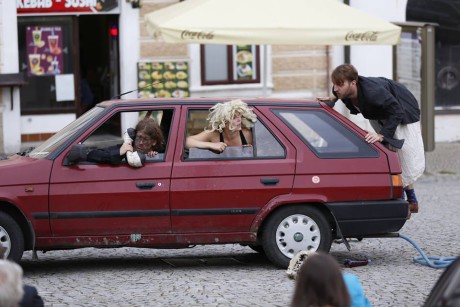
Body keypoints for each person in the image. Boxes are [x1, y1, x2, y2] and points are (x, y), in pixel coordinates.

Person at [320, 64, 425, 213]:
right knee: (392, 155)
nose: (336, 88)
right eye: (334, 84)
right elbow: (339, 91)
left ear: (353, 83)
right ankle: (410, 202)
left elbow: (397, 112)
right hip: (380, 113)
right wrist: (333, 97)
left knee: (404, 157)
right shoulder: (345, 90)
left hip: (403, 110)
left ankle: (405, 202)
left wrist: (382, 135)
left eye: (339, 85)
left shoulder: (373, 93)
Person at [185, 99, 257, 153]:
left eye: (240, 116)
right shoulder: (213, 134)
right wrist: (210, 145)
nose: (239, 120)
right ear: (223, 121)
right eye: (234, 117)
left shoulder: (247, 134)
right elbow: (186, 142)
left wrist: (250, 152)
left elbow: (263, 151)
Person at [87, 118, 165, 167]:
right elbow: (92, 155)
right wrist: (119, 152)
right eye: (139, 137)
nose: (141, 142)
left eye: (145, 139)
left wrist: (154, 156)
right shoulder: (125, 148)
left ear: (154, 142)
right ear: (134, 136)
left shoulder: (159, 154)